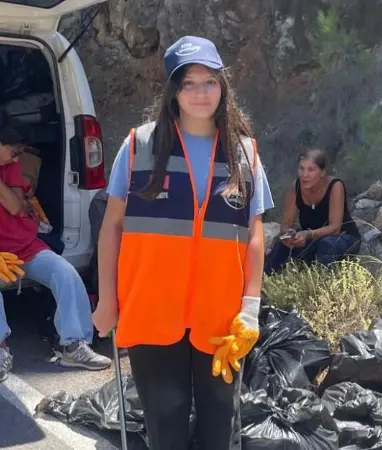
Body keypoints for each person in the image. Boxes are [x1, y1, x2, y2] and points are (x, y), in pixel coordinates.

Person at [92, 36, 274, 450]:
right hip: (151, 313)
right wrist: (107, 301)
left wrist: (250, 310)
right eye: (188, 83)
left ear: (223, 87)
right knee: (165, 428)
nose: (200, 92)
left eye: (209, 81)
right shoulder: (139, 145)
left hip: (220, 323)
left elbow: (256, 237)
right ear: (173, 91)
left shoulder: (245, 153)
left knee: (216, 430)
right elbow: (111, 227)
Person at [0, 114, 111, 384]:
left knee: (66, 273)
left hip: (25, 246)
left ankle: (73, 346)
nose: (16, 159)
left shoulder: (9, 168)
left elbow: (15, 206)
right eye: (13, 152)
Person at [264, 148, 361, 274]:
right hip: (312, 238)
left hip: (342, 237)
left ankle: (321, 285)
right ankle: (266, 278)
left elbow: (335, 228)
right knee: (283, 243)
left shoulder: (335, 186)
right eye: (301, 168)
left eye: (311, 170)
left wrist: (308, 234)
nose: (305, 175)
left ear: (322, 172)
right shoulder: (296, 188)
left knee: (327, 244)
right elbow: (286, 223)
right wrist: (289, 234)